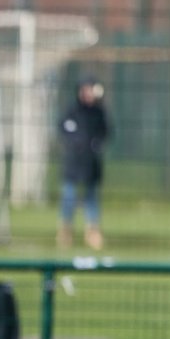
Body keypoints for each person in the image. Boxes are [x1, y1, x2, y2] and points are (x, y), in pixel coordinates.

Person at [57, 76, 109, 251]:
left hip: (91, 163)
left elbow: (105, 132)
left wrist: (95, 145)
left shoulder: (98, 112)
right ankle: (65, 230)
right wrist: (75, 142)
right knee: (69, 197)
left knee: (91, 198)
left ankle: (92, 232)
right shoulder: (72, 110)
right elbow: (64, 128)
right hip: (73, 162)